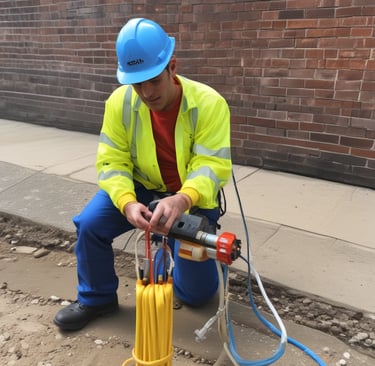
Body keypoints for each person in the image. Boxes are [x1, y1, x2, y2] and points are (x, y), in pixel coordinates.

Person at [53, 17, 232, 331]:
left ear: (171, 67)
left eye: (153, 80)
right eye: (137, 83)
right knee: (90, 224)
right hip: (142, 189)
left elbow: (211, 168)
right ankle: (97, 299)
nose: (146, 92)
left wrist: (182, 200)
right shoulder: (119, 104)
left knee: (197, 295)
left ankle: (189, 268)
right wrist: (126, 203)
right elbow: (112, 162)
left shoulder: (210, 104)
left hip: (191, 197)